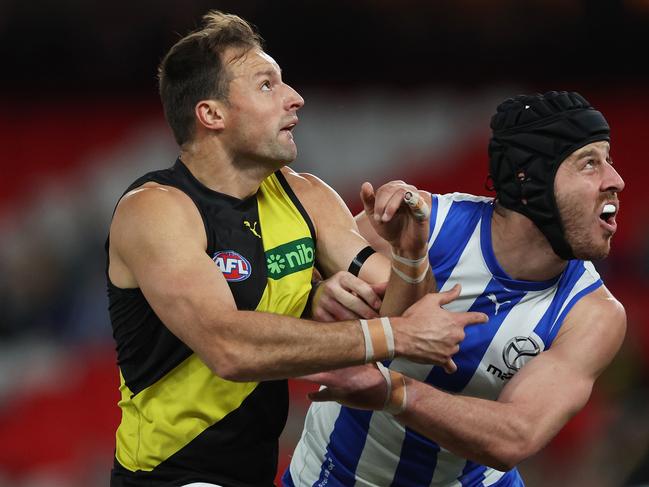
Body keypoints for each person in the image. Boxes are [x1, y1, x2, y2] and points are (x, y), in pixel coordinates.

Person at [105, 10, 487, 487]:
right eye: (267, 85)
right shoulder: (156, 210)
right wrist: (390, 334)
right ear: (212, 114)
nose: (295, 98)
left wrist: (410, 256)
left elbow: (398, 305)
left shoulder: (304, 196)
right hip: (166, 476)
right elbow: (228, 347)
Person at [285, 91, 627, 486]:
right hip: (333, 475)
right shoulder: (421, 225)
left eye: (610, 161)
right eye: (590, 164)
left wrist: (390, 391)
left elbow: (516, 434)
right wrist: (316, 292)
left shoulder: (592, 313)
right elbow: (287, 286)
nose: (616, 180)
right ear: (528, 179)